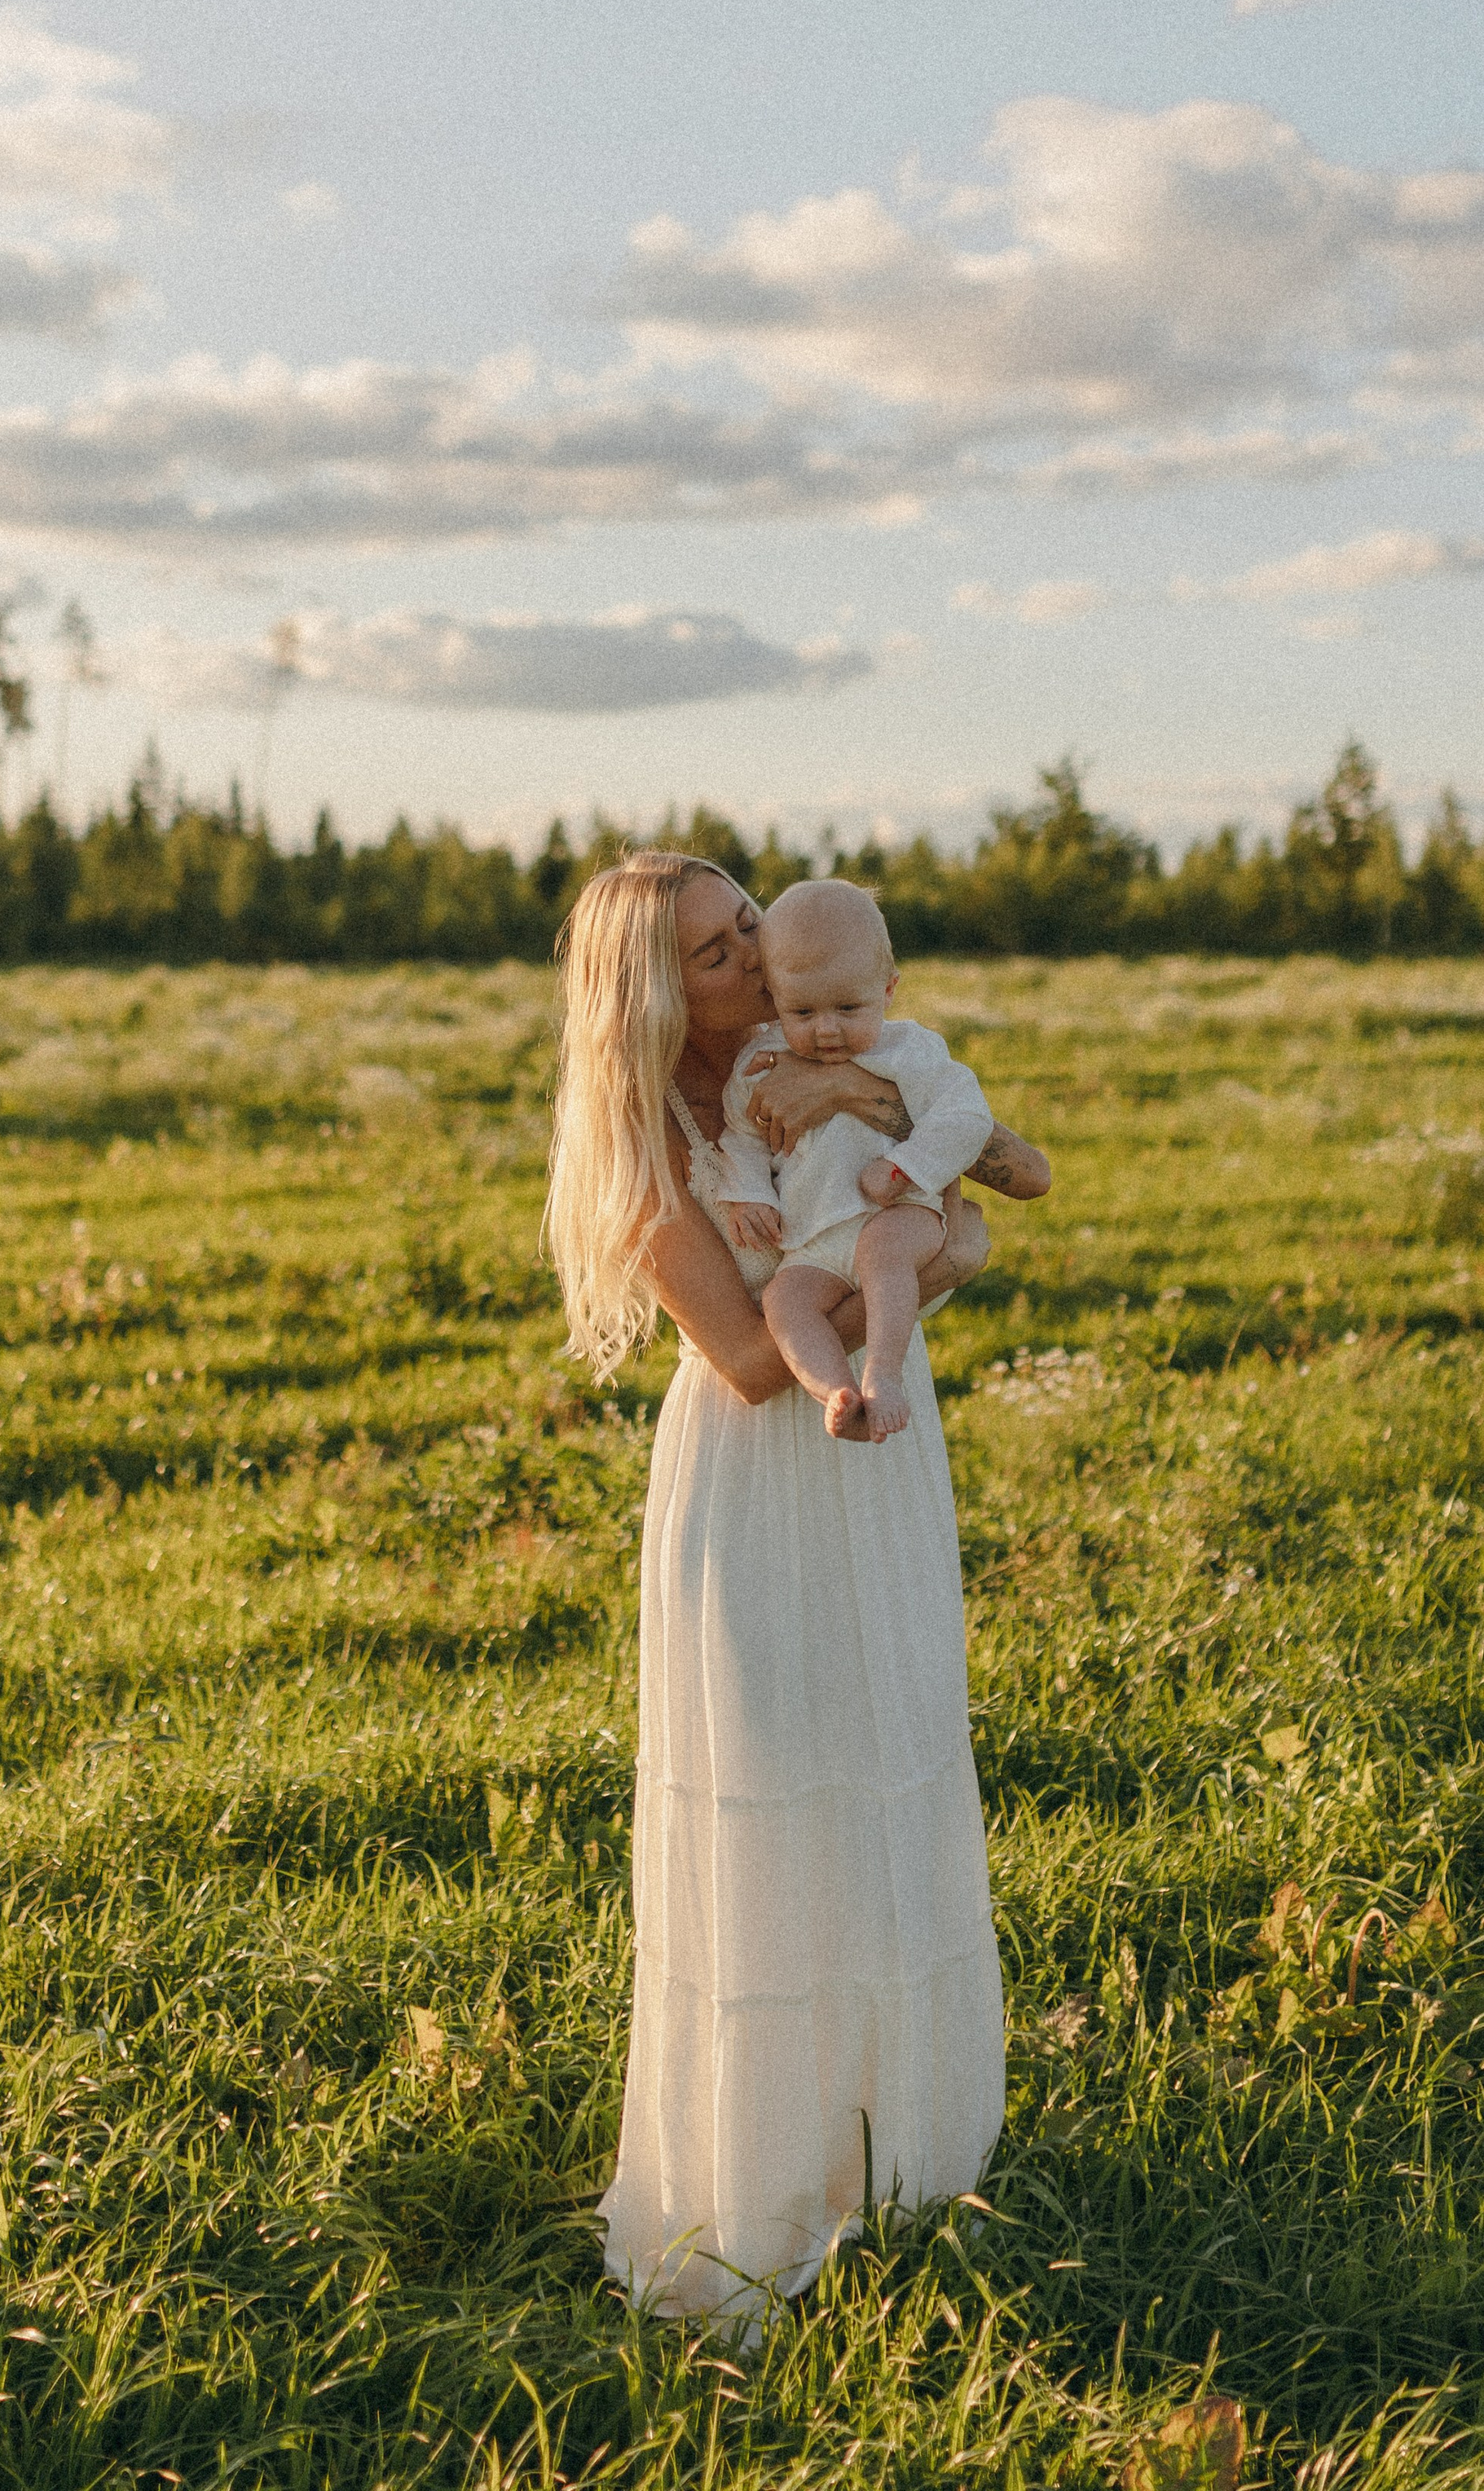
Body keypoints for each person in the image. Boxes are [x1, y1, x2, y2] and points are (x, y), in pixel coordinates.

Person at [544, 850, 1050, 2331]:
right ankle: (756, 2189)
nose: (755, 961)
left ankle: (895, 2167)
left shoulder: (826, 1054)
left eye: (751, 925)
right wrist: (920, 1253)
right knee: (776, 1812)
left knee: (888, 1771)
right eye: (714, 954)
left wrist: (868, 1129)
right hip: (764, 1473)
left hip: (881, 1457)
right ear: (649, 995)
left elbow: (999, 1181)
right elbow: (757, 1359)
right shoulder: (647, 1145)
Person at [716, 878, 997, 1443]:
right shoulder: (760, 1063)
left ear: (888, 988)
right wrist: (751, 1191)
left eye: (848, 1007)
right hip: (814, 1236)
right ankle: (835, 1392)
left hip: (899, 1215)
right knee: (785, 1299)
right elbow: (741, 1134)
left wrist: (906, 1169)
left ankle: (883, 1374)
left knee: (881, 1253)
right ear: (773, 996)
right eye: (803, 1010)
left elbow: (966, 1116)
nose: (826, 1029)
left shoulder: (909, 1050)